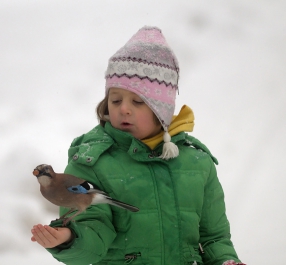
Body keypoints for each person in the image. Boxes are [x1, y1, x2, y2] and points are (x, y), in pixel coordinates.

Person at [30, 26, 245, 265]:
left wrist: (226, 261)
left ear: (162, 110)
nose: (124, 108)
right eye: (116, 100)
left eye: (138, 101)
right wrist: (69, 238)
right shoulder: (91, 162)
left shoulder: (198, 163)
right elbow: (92, 229)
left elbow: (214, 237)